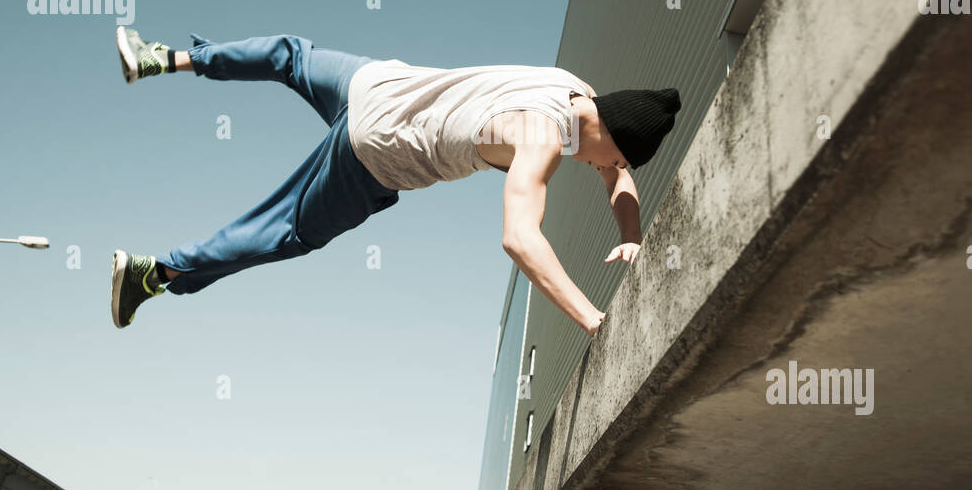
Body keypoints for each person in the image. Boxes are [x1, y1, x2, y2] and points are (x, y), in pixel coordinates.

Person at [110, 27, 680, 336]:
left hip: (375, 85)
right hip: (374, 155)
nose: (602, 170)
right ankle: (154, 274)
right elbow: (520, 238)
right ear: (609, 138)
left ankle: (162, 58)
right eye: (611, 161)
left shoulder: (572, 87)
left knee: (290, 55)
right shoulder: (545, 137)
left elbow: (618, 176)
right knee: (286, 232)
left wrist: (630, 233)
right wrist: (593, 319)